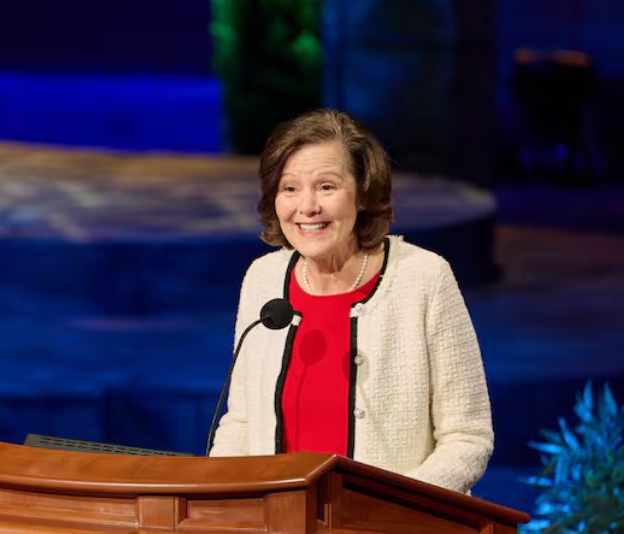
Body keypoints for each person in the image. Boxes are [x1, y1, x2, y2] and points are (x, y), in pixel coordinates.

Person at [208, 109, 493, 494]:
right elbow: (241, 423)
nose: (307, 206)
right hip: (276, 517)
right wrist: (219, 496)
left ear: (363, 193)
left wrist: (394, 506)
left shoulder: (423, 278)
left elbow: (467, 438)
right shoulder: (264, 280)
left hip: (390, 519)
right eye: (289, 188)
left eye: (326, 187)